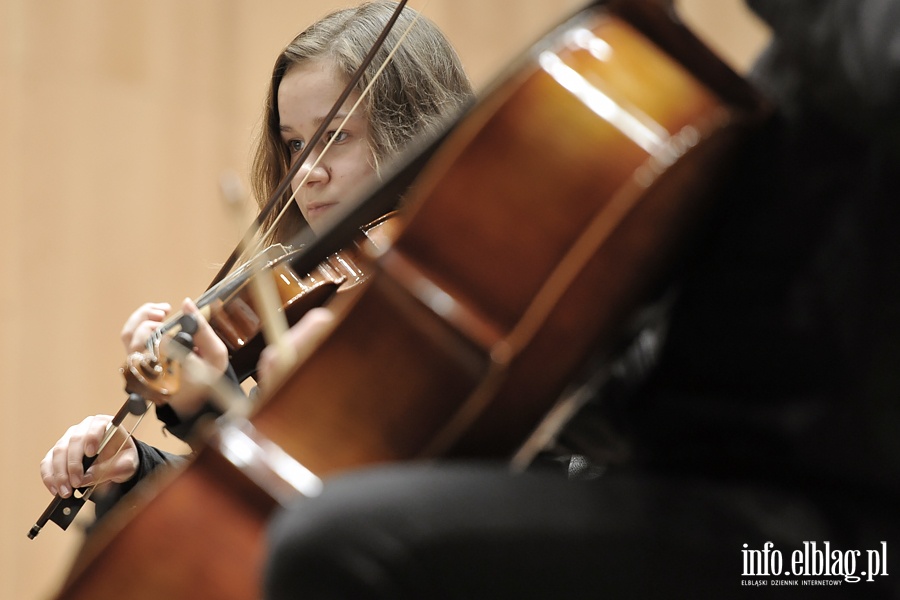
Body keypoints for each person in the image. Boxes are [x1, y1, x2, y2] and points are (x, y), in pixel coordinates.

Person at [260, 0, 900, 598]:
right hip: (681, 477)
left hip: (836, 546)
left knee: (344, 543)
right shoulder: (792, 76)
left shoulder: (860, 48)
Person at [38, 0, 473, 523]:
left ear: (415, 131)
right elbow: (270, 509)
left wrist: (211, 402)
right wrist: (139, 469)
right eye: (293, 143)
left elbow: (356, 517)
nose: (307, 171)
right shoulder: (313, 297)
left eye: (336, 136)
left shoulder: (447, 306)